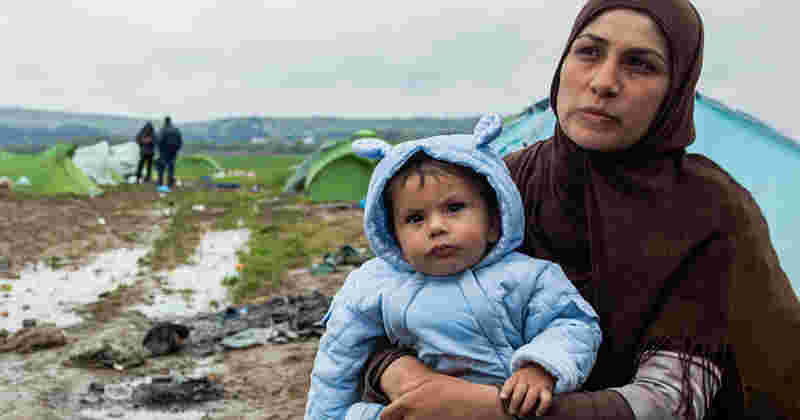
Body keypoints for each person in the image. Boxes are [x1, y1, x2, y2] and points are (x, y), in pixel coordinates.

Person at [357, 1, 800, 419]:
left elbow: (671, 401)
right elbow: (378, 313)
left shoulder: (708, 211)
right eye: (589, 52)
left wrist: (495, 410)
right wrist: (400, 372)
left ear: (676, 90)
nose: (604, 82)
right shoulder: (500, 185)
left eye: (640, 64)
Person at [304, 116, 602, 420]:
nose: (436, 226)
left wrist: (541, 368)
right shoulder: (372, 285)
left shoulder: (529, 276)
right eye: (415, 218)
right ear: (393, 236)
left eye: (454, 208)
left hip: (502, 406)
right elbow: (336, 362)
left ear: (494, 223)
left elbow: (573, 324)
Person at [156, 116, 183, 191]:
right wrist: (177, 149)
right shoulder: (176, 130)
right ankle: (169, 183)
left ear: (165, 121)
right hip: (174, 152)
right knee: (171, 168)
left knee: (161, 167)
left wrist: (159, 150)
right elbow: (180, 141)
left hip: (164, 152)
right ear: (170, 121)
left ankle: (160, 183)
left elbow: (159, 140)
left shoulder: (163, 130)